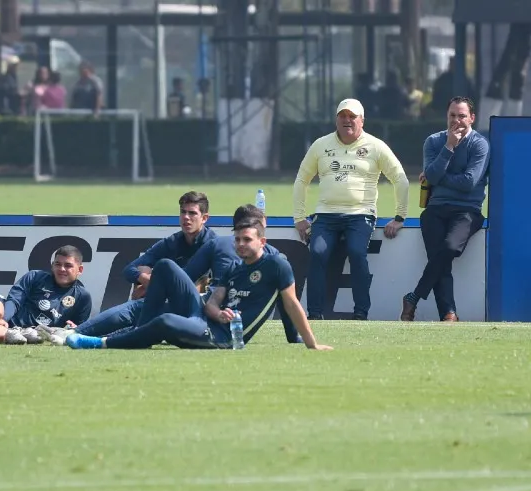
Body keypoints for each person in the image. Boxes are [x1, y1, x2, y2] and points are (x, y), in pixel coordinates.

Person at [65, 218, 332, 351]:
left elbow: (292, 304)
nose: (240, 245)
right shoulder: (235, 267)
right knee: (166, 267)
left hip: (224, 338)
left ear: (262, 242)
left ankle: (100, 343)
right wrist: (218, 312)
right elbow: (214, 300)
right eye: (237, 239)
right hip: (206, 318)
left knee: (167, 321)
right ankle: (138, 332)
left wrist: (311, 344)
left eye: (247, 240)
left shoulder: (276, 265)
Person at [293, 98, 409, 320]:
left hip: (361, 214)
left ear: (362, 120)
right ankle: (314, 314)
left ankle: (360, 313)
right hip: (326, 214)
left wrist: (399, 216)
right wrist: (299, 217)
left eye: (352, 116)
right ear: (336, 119)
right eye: (342, 116)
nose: (347, 120)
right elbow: (301, 180)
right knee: (317, 253)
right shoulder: (320, 145)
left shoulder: (376, 146)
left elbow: (400, 179)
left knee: (357, 253)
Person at [62, 191, 216, 340]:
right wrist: (146, 280)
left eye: (192, 213)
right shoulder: (173, 242)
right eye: (183, 212)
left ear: (205, 218)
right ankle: (77, 334)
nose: (186, 217)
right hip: (171, 304)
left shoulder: (213, 245)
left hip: (198, 311)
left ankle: (73, 332)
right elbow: (129, 270)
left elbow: (194, 282)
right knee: (136, 316)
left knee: (134, 308)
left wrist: (154, 286)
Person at [401, 96, 489, 322]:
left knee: (448, 248)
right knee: (439, 260)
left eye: (462, 116)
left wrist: (438, 177)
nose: (457, 121)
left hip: (467, 211)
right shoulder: (434, 141)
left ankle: (413, 296)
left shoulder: (480, 144)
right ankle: (448, 314)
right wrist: (449, 146)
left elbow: (469, 182)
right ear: (446, 116)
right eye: (452, 115)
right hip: (436, 209)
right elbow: (431, 176)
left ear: (472, 118)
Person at [182, 204, 302, 344]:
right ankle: (293, 336)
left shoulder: (215, 243)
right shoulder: (273, 256)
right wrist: (294, 337)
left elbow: (185, 278)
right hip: (231, 317)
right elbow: (287, 300)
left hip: (203, 311)